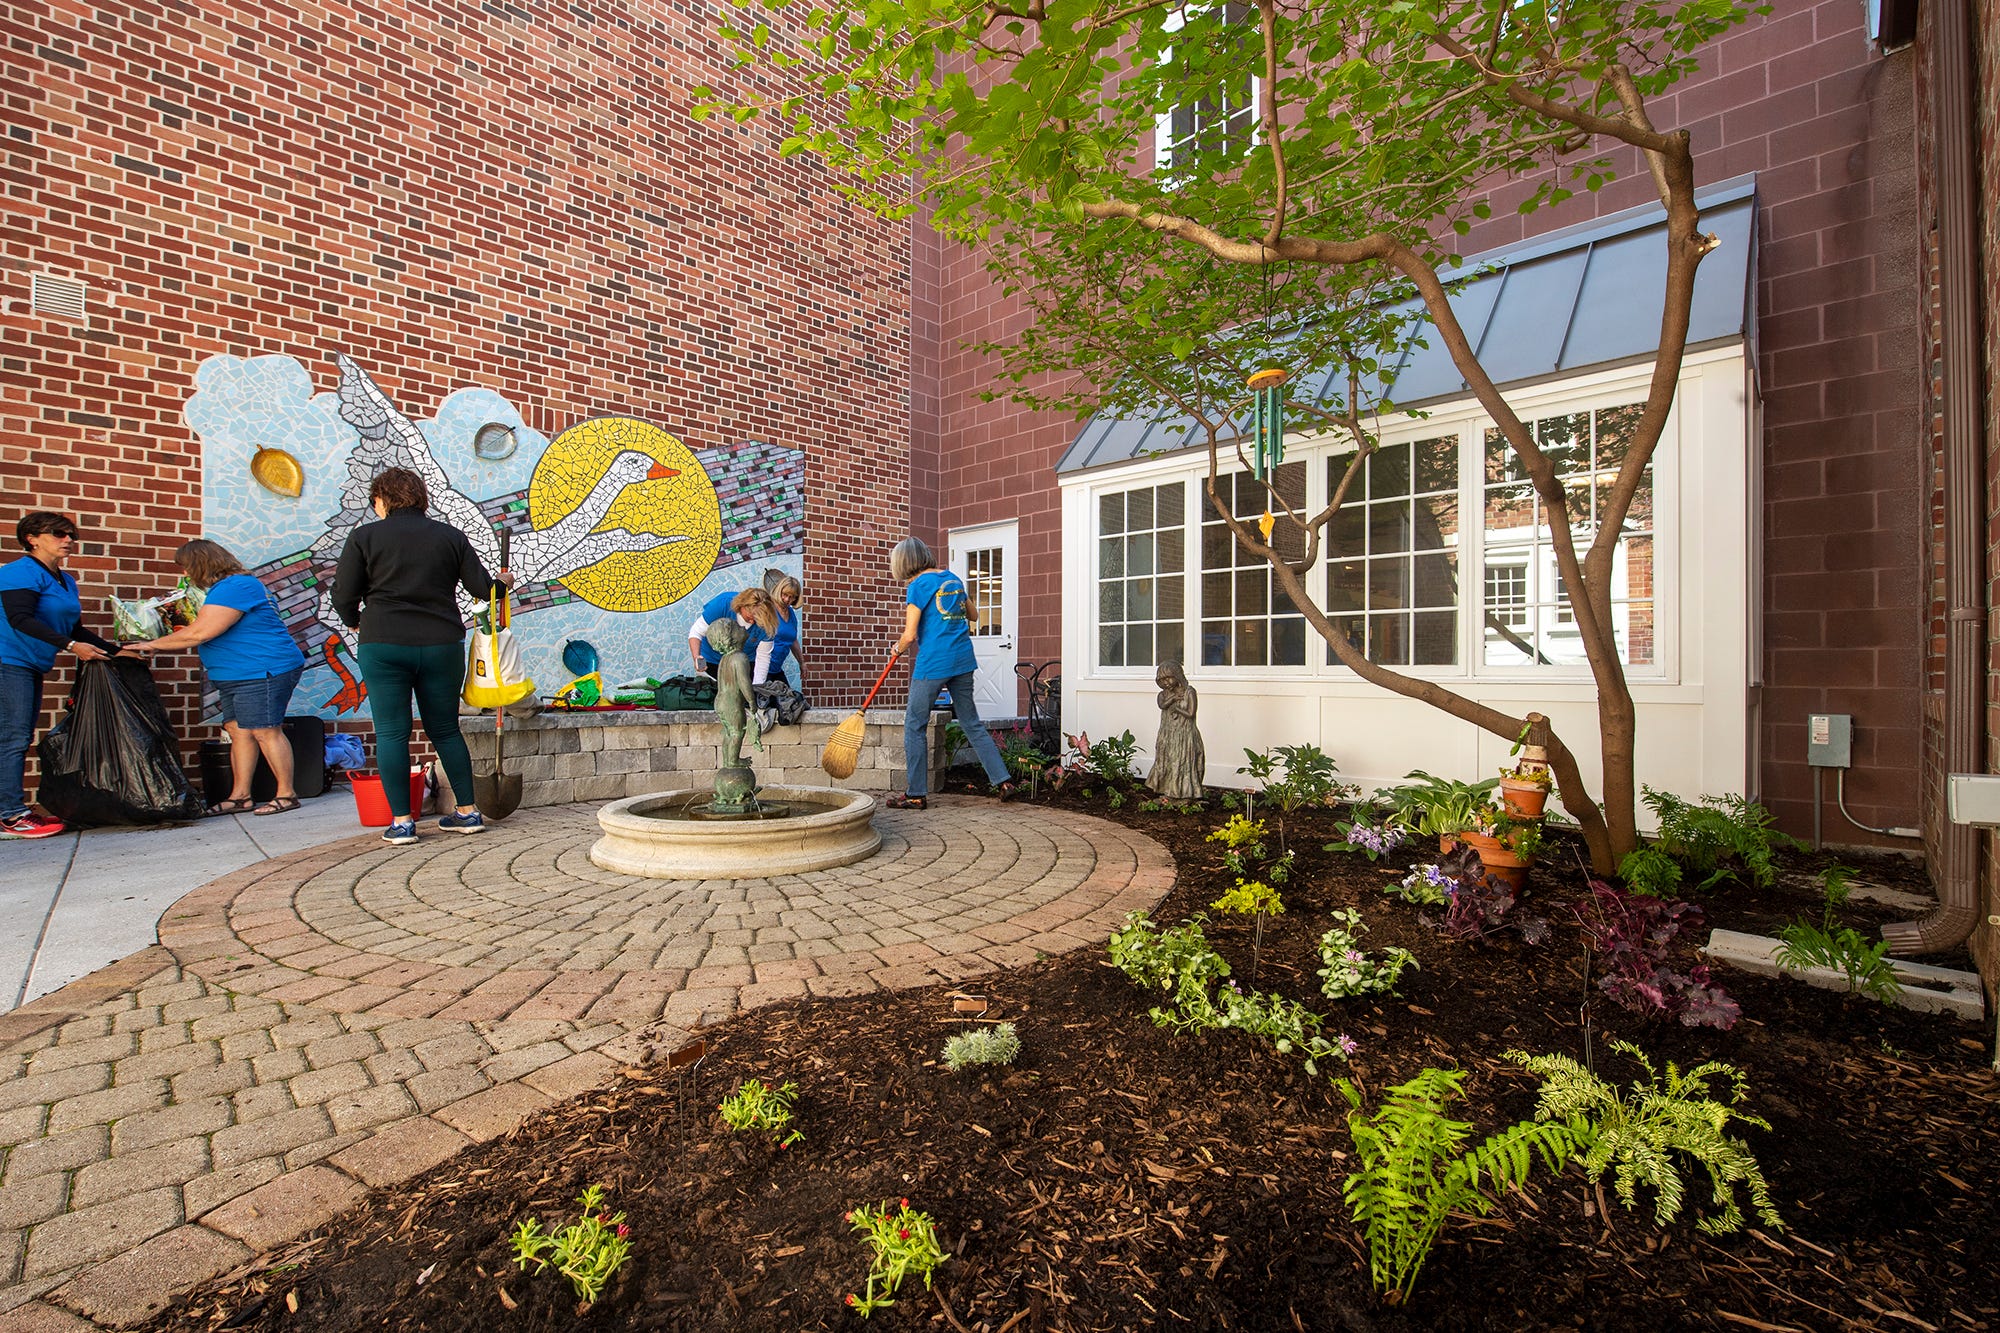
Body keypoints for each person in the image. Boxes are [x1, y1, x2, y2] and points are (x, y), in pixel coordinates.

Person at [332, 467, 509, 845]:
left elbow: (343, 594)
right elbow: (484, 590)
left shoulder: (364, 537)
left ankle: (401, 823)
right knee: (445, 729)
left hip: (383, 643)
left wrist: (354, 622)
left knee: (392, 732)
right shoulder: (450, 537)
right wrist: (503, 585)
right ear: (421, 498)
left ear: (381, 500)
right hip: (441, 644)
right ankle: (467, 812)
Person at [125, 540, 308, 816]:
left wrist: (150, 644)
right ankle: (240, 796)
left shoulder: (237, 586)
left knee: (265, 729)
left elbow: (202, 632)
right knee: (238, 731)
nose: (186, 574)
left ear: (201, 563)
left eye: (187, 567)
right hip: (235, 672)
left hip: (261, 669)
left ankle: (286, 794)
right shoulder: (224, 589)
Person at [0, 512, 122, 839]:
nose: (68, 539)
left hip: (31, 663)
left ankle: (9, 810)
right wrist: (70, 646)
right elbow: (20, 619)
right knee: (13, 737)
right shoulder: (19, 572)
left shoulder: (66, 581)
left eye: (71, 535)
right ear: (32, 538)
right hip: (7, 661)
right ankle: (10, 815)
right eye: (58, 533)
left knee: (18, 735)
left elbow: (76, 629)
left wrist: (117, 650)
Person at [886, 536, 1016, 810]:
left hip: (934, 662)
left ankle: (916, 794)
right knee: (971, 723)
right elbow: (974, 615)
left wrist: (896, 649)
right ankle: (1003, 780)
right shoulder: (953, 579)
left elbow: (910, 635)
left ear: (904, 562)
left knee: (915, 725)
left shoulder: (918, 586)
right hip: (963, 660)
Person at [686, 587, 780, 683]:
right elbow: (696, 632)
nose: (752, 622)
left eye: (756, 620)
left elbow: (763, 657)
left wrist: (758, 686)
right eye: (749, 618)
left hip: (745, 662)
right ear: (741, 606)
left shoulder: (768, 621)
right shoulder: (722, 604)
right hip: (712, 659)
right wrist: (697, 659)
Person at [1148, 660, 1206, 801]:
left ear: (1177, 675)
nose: (1166, 682)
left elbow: (1191, 713)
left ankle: (1184, 792)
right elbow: (1162, 705)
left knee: (1183, 761)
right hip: (1168, 733)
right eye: (1162, 680)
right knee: (1167, 759)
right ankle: (1168, 790)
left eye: (1168, 678)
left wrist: (1177, 709)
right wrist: (1173, 699)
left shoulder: (1189, 692)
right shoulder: (1163, 694)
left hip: (1185, 734)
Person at [767, 574, 808, 691]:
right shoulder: (769, 609)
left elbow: (792, 639)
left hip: (776, 668)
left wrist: (802, 663)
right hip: (763, 668)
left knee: (790, 701)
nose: (787, 600)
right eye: (784, 595)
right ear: (779, 591)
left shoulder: (791, 614)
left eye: (792, 597)